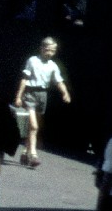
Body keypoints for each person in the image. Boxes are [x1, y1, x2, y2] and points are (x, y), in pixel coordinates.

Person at [14, 37, 71, 168]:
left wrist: (65, 92)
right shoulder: (33, 61)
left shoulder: (53, 65)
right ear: (42, 48)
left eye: (53, 50)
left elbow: (58, 81)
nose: (50, 53)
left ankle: (25, 151)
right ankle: (33, 154)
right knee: (34, 126)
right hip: (30, 93)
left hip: (42, 95)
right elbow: (25, 78)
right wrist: (18, 96)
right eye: (48, 50)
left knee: (33, 127)